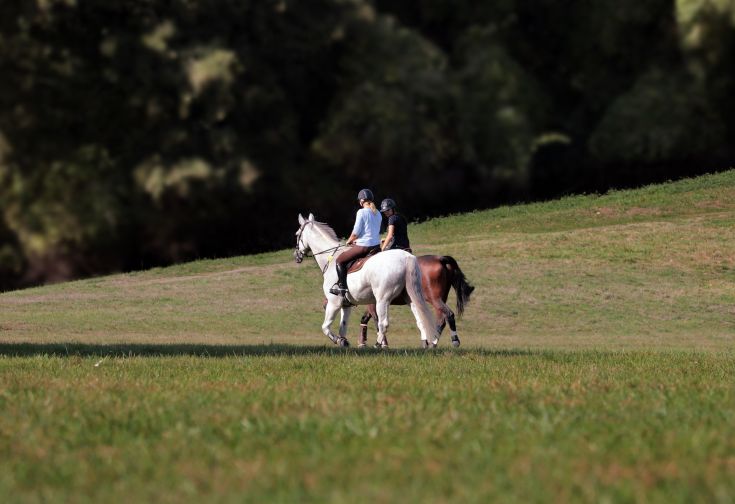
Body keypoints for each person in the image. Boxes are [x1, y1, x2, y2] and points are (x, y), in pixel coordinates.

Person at [329, 188, 382, 296]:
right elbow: (371, 231)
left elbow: (355, 232)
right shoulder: (378, 213)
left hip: (365, 247)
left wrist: (349, 241)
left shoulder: (361, 212)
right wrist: (357, 240)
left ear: (362, 201)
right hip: (376, 246)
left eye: (359, 201)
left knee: (339, 260)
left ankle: (343, 288)